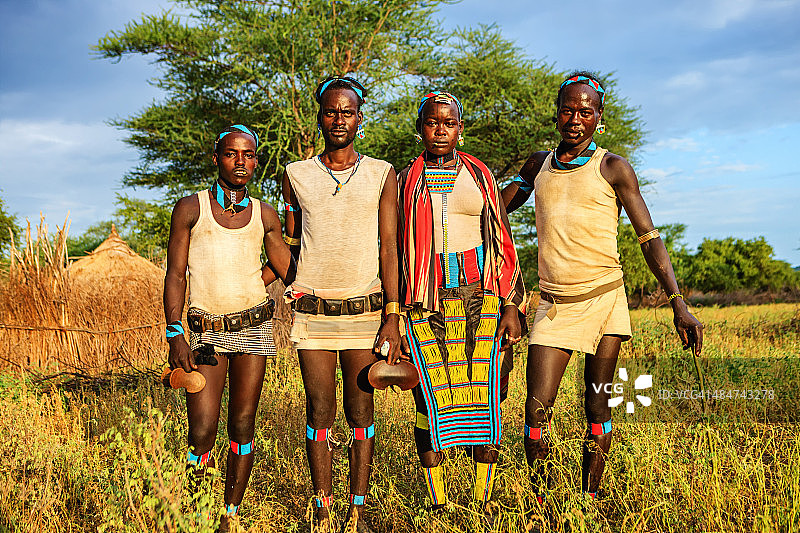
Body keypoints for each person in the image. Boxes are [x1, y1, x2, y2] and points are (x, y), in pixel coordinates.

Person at [501, 71, 704, 507]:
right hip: (553, 304)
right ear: (556, 113)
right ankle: (542, 502)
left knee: (596, 408)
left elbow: (648, 238)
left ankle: (589, 497)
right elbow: (493, 210)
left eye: (585, 111)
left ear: (600, 116)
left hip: (604, 300)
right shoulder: (537, 166)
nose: (575, 118)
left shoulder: (613, 168)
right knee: (535, 412)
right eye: (568, 109)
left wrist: (678, 302)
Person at [397, 91, 526, 525]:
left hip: (480, 296)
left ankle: (481, 499)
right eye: (432, 122)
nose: (440, 130)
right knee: (429, 397)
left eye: (448, 122)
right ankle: (437, 502)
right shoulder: (403, 181)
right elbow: (393, 248)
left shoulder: (480, 174)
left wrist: (511, 302)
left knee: (485, 396)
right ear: (420, 128)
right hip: (425, 299)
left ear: (460, 129)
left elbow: (502, 238)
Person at [281, 76, 402, 533]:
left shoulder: (381, 173)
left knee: (361, 413)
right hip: (313, 317)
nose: (338, 119)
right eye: (330, 112)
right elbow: (289, 242)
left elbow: (389, 247)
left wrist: (393, 315)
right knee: (319, 412)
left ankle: (358, 509)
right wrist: (287, 281)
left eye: (346, 112)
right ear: (320, 117)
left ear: (360, 119)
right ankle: (322, 507)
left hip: (366, 314)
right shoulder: (296, 175)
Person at [163, 124, 295, 531]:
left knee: (242, 423)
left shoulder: (265, 214)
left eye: (249, 154)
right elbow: (176, 273)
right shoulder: (191, 208)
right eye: (232, 153)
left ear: (257, 159)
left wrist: (260, 276)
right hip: (205, 333)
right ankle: (197, 508)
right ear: (216, 156)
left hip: (253, 329)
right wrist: (175, 331)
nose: (241, 162)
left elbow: (285, 267)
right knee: (202, 430)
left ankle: (228, 516)